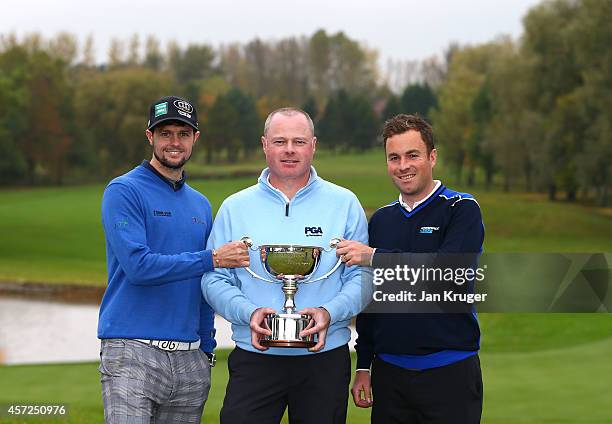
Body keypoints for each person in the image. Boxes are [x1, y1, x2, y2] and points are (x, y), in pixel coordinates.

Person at [201, 107, 369, 424]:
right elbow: (214, 280)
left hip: (324, 357)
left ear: (313, 145)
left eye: (299, 141)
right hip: (255, 355)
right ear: (265, 145)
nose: (289, 150)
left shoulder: (344, 203)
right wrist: (248, 313)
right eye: (280, 141)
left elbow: (362, 279)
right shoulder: (235, 207)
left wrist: (329, 312)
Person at [98, 95, 249, 423]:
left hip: (189, 358)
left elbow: (204, 287)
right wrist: (211, 258)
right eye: (165, 133)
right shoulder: (123, 191)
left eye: (183, 134)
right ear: (150, 136)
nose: (174, 142)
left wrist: (206, 348)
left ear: (195, 138)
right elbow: (139, 266)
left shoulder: (200, 205)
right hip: (132, 350)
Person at [336, 114, 484, 424]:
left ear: (432, 157)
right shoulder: (381, 220)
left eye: (412, 155)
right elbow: (371, 301)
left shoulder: (461, 208)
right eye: (394, 157)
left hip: (450, 372)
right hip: (391, 376)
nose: (403, 165)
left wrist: (374, 256)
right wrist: (364, 365)